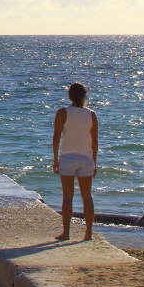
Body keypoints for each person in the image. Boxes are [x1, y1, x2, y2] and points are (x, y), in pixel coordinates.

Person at [52, 83, 98, 241]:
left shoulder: (62, 113)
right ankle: (89, 233)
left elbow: (56, 137)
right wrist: (95, 162)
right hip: (86, 158)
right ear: (84, 96)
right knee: (87, 197)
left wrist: (55, 159)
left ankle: (66, 233)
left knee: (67, 196)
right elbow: (95, 141)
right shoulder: (91, 114)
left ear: (70, 96)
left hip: (68, 157)